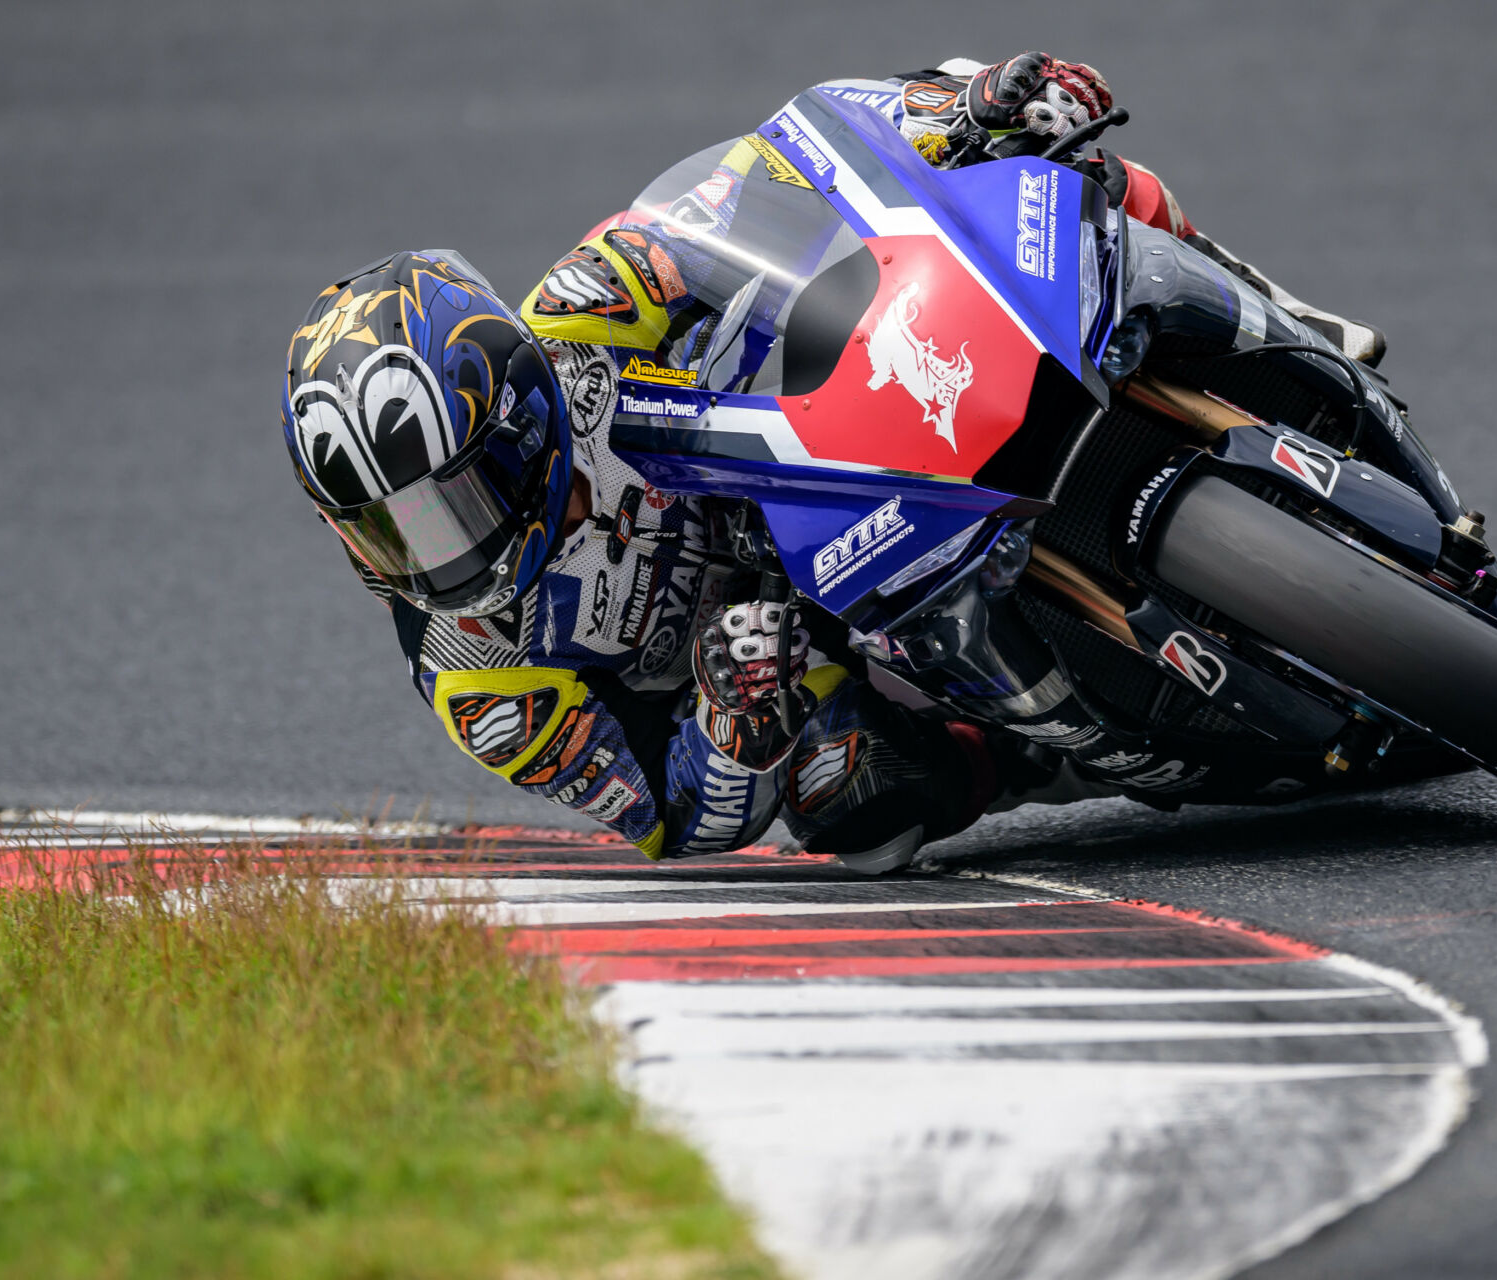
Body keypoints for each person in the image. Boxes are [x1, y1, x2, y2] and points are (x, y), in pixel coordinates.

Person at [279, 53, 1385, 872]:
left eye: (445, 505)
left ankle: (1278, 316)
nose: (434, 556)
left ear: (516, 416)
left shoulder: (583, 306)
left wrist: (964, 110)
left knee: (1062, 167)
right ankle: (1062, 757)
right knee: (848, 795)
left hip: (833, 411)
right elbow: (669, 818)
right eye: (384, 529)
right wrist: (728, 720)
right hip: (805, 637)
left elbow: (780, 164)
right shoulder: (478, 678)